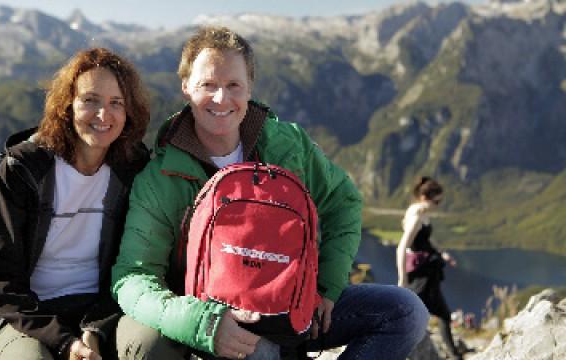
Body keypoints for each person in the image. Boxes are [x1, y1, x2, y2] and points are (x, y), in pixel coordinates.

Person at [111, 26, 429, 360]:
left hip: (292, 305)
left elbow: (343, 201)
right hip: (217, 318)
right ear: (186, 87)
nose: (221, 99)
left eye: (234, 85)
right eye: (208, 85)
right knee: (260, 352)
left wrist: (325, 287)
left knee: (406, 312)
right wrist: (202, 324)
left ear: (249, 88)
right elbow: (133, 277)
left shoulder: (286, 145)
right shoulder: (161, 176)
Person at [0, 47, 151, 360]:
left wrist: (96, 329)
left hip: (104, 310)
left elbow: (137, 264)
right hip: (27, 315)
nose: (103, 114)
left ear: (129, 111)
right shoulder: (24, 169)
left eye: (116, 103)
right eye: (90, 100)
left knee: (152, 346)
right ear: (67, 105)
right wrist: (64, 341)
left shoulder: (133, 170)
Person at [396, 176, 465, 359]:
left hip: (427, 271)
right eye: (437, 201)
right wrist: (402, 279)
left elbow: (425, 239)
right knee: (418, 312)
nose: (439, 204)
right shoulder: (417, 217)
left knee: (438, 313)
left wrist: (442, 253)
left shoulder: (421, 213)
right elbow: (402, 246)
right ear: (426, 197)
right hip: (421, 274)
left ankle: (453, 354)